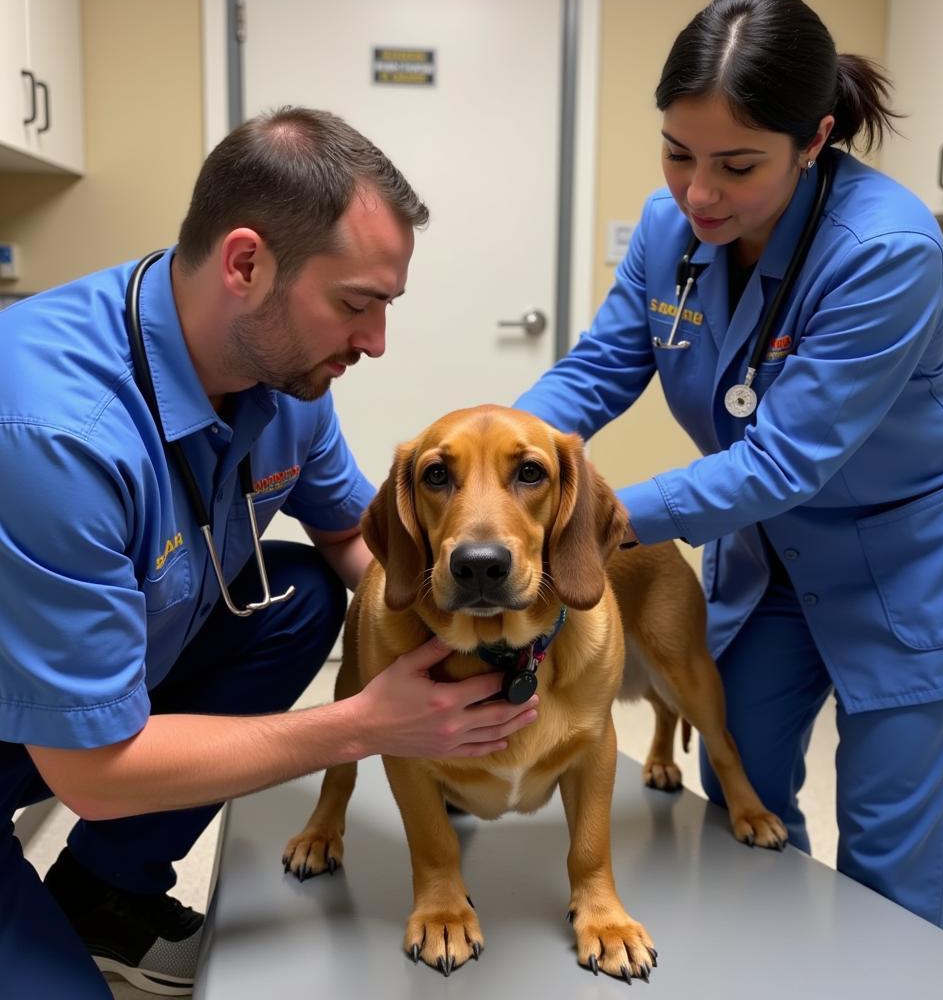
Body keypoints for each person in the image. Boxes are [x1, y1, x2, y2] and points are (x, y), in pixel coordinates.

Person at [0, 107, 539, 998]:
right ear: (246, 264)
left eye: (385, 308)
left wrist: (476, 636)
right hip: (67, 746)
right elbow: (91, 776)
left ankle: (103, 895)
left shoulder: (286, 381)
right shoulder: (53, 435)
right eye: (355, 305)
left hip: (68, 709)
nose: (374, 343)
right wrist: (368, 724)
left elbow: (361, 551)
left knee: (297, 594)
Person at [515, 0, 943, 931]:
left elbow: (783, 461)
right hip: (773, 554)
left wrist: (586, 515)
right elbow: (595, 373)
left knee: (885, 849)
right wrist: (495, 463)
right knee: (739, 782)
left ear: (815, 138)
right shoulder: (670, 234)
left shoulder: (886, 251)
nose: (698, 193)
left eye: (737, 165)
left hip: (915, 555)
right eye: (678, 153)